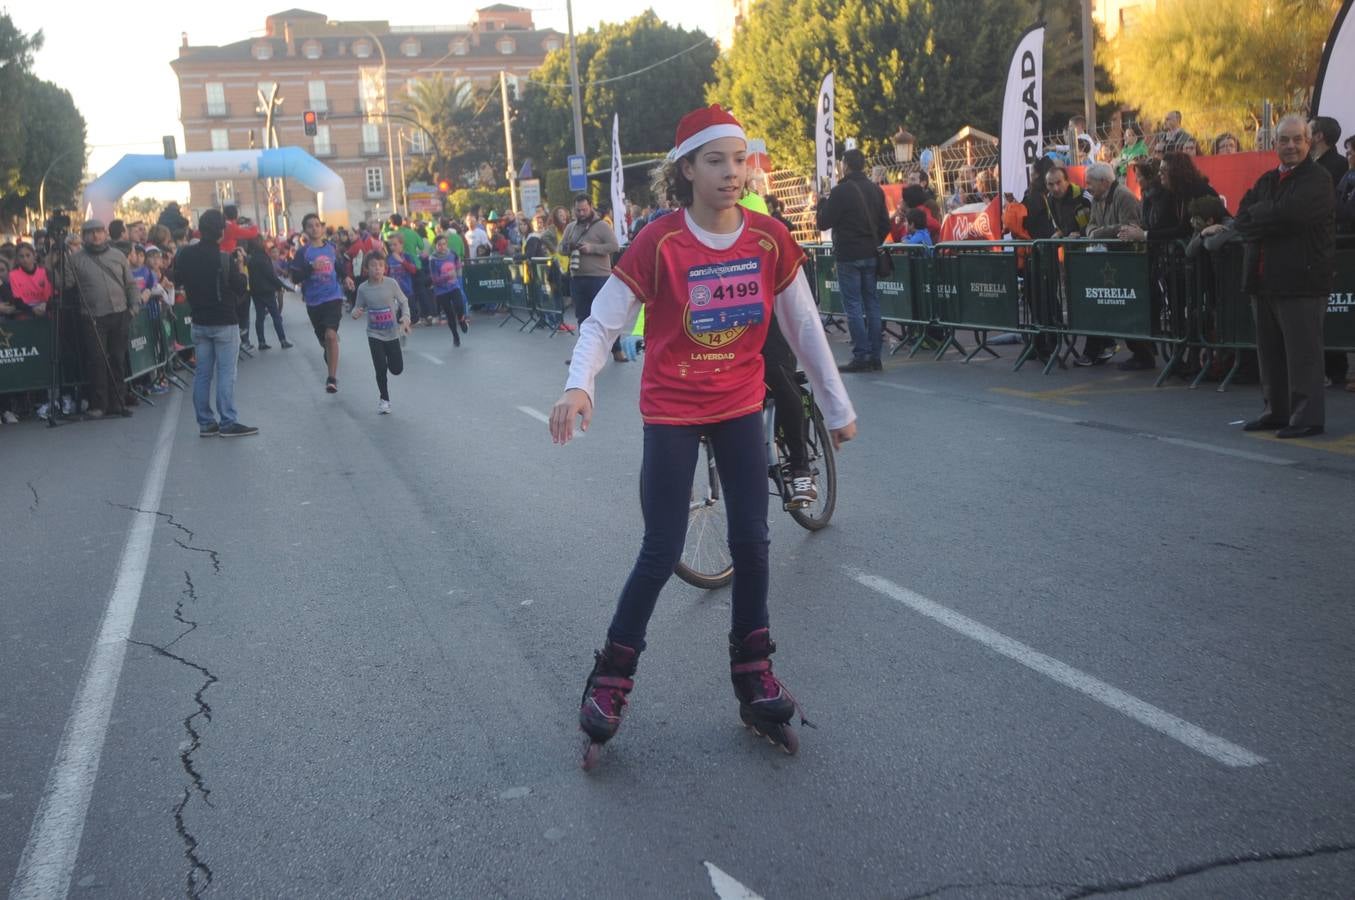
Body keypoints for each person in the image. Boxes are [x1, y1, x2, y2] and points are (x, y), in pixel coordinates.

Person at [549, 104, 857, 767]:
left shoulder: (770, 238)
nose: (730, 172)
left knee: (753, 542)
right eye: (714, 160)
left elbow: (803, 327)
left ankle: (753, 675)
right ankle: (609, 681)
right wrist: (580, 384)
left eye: (738, 159)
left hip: (740, 406)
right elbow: (604, 323)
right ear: (686, 170)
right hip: (671, 410)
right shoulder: (659, 242)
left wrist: (835, 407)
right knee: (660, 548)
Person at [1234, 115, 1336, 438]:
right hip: (1263, 280)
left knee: (1302, 355)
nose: (1290, 145)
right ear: (1274, 143)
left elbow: (1293, 215)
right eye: (1284, 140)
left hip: (1301, 281)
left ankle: (1307, 418)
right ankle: (1276, 411)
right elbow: (1242, 216)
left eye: (1297, 139)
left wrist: (1264, 214)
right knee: (1271, 353)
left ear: (1309, 142)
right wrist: (1267, 214)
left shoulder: (1318, 179)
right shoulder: (1266, 180)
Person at [174, 209, 258, 436]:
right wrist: (240, 266)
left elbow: (177, 278)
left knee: (203, 373)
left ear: (200, 230)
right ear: (222, 232)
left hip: (199, 320)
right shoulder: (224, 258)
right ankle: (228, 422)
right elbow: (240, 287)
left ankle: (205, 422)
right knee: (226, 373)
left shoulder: (185, 254)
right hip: (223, 320)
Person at [816, 147, 890, 372]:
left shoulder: (840, 192)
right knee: (872, 304)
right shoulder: (876, 190)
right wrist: (873, 239)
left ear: (845, 165)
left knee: (854, 306)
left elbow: (823, 223)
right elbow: (886, 224)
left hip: (848, 255)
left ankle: (861, 355)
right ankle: (875, 356)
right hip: (870, 253)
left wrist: (821, 202)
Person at [59, 220, 139, 419]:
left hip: (120, 313)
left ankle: (118, 402)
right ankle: (98, 405)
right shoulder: (75, 259)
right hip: (92, 317)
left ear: (105, 233)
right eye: (90, 233)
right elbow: (65, 284)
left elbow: (130, 284)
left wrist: (134, 308)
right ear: (83, 236)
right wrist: (56, 261)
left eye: (98, 231)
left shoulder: (118, 255)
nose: (95, 236)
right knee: (96, 361)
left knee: (118, 359)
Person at [290, 213, 354, 393]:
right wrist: (311, 267)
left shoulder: (331, 248)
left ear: (322, 228)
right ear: (305, 231)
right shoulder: (303, 252)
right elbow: (295, 277)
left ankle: (331, 379)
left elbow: (338, 267)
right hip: (313, 301)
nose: (314, 228)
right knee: (325, 340)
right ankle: (329, 349)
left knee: (331, 335)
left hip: (333, 298)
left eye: (317, 225)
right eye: (310, 226)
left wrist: (346, 277)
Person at [560, 194, 622, 361]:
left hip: (599, 278)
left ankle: (617, 350)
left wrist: (591, 248)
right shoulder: (571, 227)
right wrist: (569, 247)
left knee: (606, 316)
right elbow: (561, 249)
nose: (581, 213)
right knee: (583, 317)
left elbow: (614, 246)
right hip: (577, 278)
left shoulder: (601, 226)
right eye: (578, 210)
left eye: (584, 210)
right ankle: (584, 354)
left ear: (591, 207)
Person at [351, 252, 413, 414]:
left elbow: (404, 301)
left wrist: (405, 317)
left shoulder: (391, 284)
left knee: (397, 369)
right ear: (366, 269)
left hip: (392, 333)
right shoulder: (363, 289)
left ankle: (400, 340)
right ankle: (384, 399)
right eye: (373, 266)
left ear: (385, 268)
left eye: (380, 265)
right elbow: (358, 307)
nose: (377, 269)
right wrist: (355, 313)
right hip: (374, 334)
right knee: (380, 368)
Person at [246, 236, 293, 349]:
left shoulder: (250, 258)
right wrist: (282, 286)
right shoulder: (263, 258)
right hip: (267, 291)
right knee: (276, 316)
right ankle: (282, 340)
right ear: (259, 243)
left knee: (260, 317)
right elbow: (270, 275)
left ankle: (261, 342)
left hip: (256, 291)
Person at [426, 233, 468, 346]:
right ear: (435, 246)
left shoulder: (452, 254)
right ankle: (455, 336)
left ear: (447, 244)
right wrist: (447, 276)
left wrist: (458, 274)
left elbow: (458, 265)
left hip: (454, 286)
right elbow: (434, 279)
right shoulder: (433, 260)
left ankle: (462, 319)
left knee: (459, 305)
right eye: (439, 245)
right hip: (441, 291)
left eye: (444, 244)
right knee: (449, 314)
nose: (442, 247)